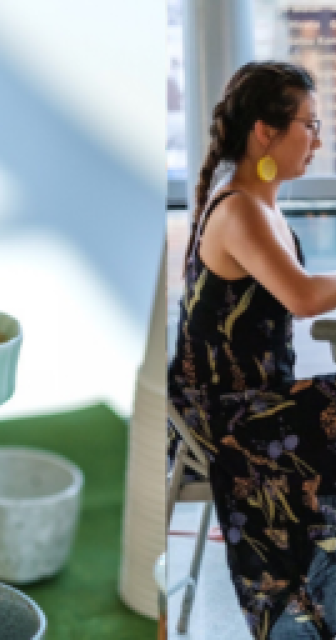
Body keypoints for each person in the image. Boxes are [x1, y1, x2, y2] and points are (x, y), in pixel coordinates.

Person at [168, 61, 336, 640]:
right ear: (266, 131)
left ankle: (325, 571)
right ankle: (320, 585)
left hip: (250, 400)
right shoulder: (239, 208)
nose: (317, 139)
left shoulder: (260, 206)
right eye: (308, 126)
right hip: (225, 414)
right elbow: (305, 296)